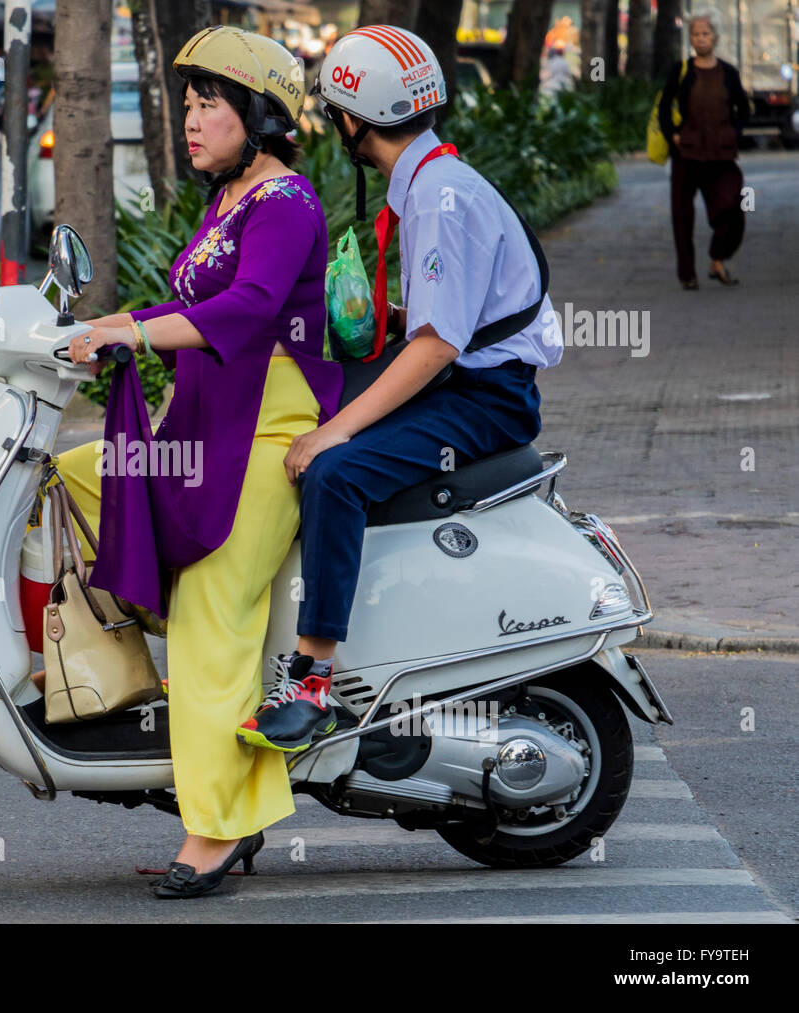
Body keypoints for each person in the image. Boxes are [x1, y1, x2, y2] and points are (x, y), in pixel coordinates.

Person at [51, 26, 343, 898]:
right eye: (187, 103)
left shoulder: (285, 201)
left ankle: (215, 826)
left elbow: (250, 308)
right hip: (210, 416)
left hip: (268, 429)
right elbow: (191, 302)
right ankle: (108, 669)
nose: (191, 118)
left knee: (213, 605)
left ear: (257, 115)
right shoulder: (226, 200)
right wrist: (102, 327)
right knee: (76, 475)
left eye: (208, 103)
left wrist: (131, 329)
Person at [244, 25, 561, 752]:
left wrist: (336, 431)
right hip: (468, 380)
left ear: (355, 120)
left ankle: (315, 681)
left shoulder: (438, 197)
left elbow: (438, 345)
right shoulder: (427, 180)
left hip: (486, 398)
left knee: (334, 472)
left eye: (335, 116)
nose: (335, 128)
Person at [659, 8, 750, 289]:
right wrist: (672, 135)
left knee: (734, 205)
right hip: (686, 154)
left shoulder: (729, 73)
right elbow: (664, 107)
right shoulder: (681, 71)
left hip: (721, 155)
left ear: (716, 37)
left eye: (705, 33)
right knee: (682, 216)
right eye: (696, 34)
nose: (700, 39)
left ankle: (717, 258)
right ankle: (687, 275)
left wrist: (733, 133)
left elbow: (744, 109)